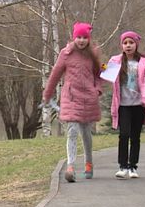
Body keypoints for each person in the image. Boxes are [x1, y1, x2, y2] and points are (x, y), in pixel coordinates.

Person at [42, 22, 102, 183]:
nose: (81, 40)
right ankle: (70, 166)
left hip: (89, 97)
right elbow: (55, 74)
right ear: (73, 37)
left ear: (88, 39)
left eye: (84, 37)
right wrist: (47, 94)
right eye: (78, 37)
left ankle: (88, 163)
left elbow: (99, 74)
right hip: (71, 96)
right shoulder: (66, 53)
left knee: (86, 133)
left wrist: (97, 90)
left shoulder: (93, 54)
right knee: (72, 130)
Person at [109, 31, 145, 179]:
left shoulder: (143, 62)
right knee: (124, 135)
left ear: (136, 44)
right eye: (125, 43)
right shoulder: (116, 61)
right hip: (123, 105)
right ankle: (122, 166)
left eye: (131, 43)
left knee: (135, 136)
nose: (128, 46)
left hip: (138, 105)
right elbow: (103, 74)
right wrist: (100, 65)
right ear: (121, 46)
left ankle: (133, 166)